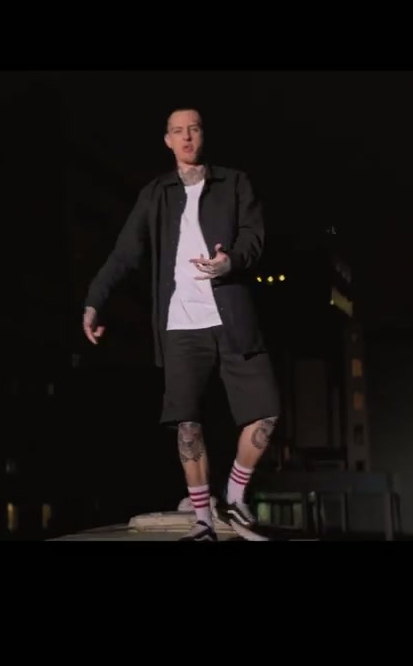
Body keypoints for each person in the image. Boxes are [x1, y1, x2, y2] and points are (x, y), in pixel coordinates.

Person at [82, 107, 280, 542]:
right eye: (178, 131)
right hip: (180, 324)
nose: (187, 137)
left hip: (233, 315)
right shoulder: (155, 194)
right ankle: (203, 520)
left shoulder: (234, 182)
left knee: (266, 412)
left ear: (203, 135)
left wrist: (230, 261)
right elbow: (125, 253)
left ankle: (235, 495)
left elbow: (254, 237)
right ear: (167, 140)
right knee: (187, 423)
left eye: (193, 129)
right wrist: (95, 301)